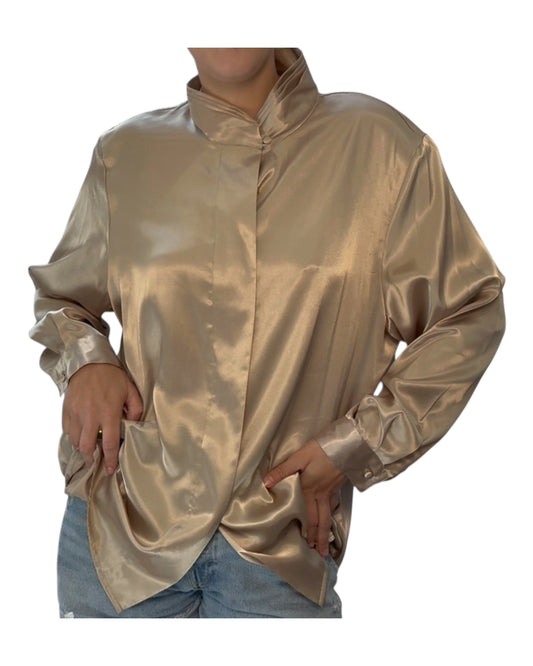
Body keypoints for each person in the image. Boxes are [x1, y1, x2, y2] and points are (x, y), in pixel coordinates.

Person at [29, 47, 505, 618]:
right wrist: (87, 360)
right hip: (117, 535)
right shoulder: (124, 153)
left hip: (278, 546)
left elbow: (470, 309)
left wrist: (360, 443)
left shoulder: (382, 149)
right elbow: (65, 299)